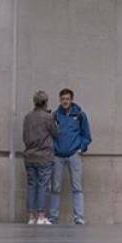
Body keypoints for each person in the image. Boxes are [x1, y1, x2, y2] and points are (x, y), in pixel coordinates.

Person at [48, 88, 92, 225]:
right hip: (58, 156)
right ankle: (53, 217)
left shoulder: (79, 115)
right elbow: (49, 134)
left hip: (74, 155)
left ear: (71, 100)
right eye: (63, 99)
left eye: (67, 99)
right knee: (55, 187)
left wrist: (81, 148)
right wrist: (53, 148)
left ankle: (79, 217)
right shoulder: (55, 116)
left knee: (77, 187)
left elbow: (87, 135)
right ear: (60, 100)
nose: (65, 101)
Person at [23, 90, 58, 225]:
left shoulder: (27, 117)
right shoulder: (48, 117)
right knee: (43, 186)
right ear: (45, 102)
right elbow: (56, 133)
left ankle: (31, 216)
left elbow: (24, 137)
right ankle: (41, 215)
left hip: (30, 156)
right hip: (44, 156)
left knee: (31, 185)